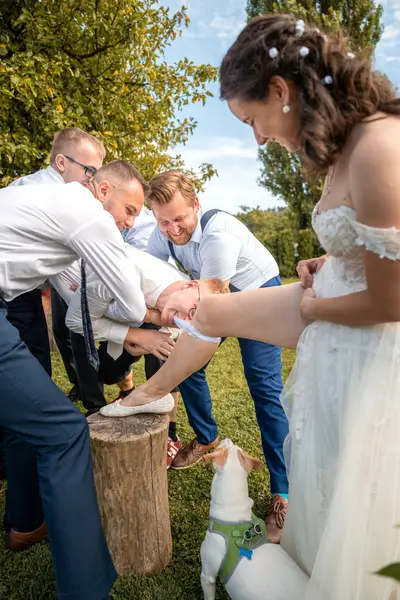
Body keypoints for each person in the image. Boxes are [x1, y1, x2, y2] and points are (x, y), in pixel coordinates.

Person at [111, 14, 400, 599]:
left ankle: (271, 486)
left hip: (366, 338)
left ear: (280, 91)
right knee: (210, 317)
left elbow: (394, 298)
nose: (258, 138)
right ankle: (150, 394)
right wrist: (326, 261)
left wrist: (317, 310)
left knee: (283, 406)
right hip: (333, 313)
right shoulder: (345, 150)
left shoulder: (378, 146)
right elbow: (368, 248)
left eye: (252, 120)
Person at [0, 159, 152, 600]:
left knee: (26, 419)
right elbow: (128, 300)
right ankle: (86, 592)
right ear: (102, 190)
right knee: (65, 433)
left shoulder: (52, 206)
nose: (129, 221)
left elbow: (76, 297)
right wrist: (145, 323)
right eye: (128, 208)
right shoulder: (88, 214)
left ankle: (26, 524)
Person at [141, 170, 289, 542]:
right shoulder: (162, 233)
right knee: (181, 360)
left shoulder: (218, 234)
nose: (173, 229)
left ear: (196, 205)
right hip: (215, 298)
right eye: (163, 221)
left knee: (265, 390)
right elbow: (147, 275)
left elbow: (213, 300)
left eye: (180, 219)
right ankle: (206, 436)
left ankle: (282, 493)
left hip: (256, 297)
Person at [57, 247, 226, 466]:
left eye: (193, 320)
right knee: (105, 371)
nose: (186, 319)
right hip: (47, 267)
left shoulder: (181, 304)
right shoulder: (125, 273)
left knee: (135, 364)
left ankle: (167, 428)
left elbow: (175, 332)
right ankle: (124, 393)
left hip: (106, 312)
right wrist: (136, 332)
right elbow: (76, 321)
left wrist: (149, 327)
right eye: (192, 309)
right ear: (190, 284)